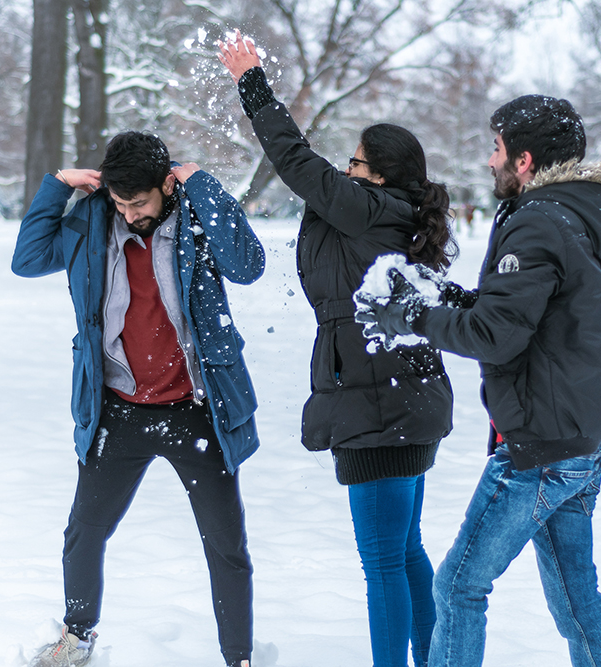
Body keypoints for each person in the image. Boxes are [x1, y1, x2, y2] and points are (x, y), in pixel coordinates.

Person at [356, 95, 601, 667]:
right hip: (579, 443)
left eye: (497, 149)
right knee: (575, 599)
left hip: (542, 451)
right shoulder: (567, 214)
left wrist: (407, 318)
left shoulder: (538, 220)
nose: (490, 161)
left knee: (458, 586)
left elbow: (496, 336)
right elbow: (525, 314)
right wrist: (449, 299)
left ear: (525, 161)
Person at [217, 32, 455, 667]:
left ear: (378, 175)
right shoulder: (387, 211)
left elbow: (297, 163)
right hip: (400, 392)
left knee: (383, 561)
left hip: (377, 400)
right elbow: (314, 181)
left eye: (355, 161)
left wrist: (252, 81)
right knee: (405, 552)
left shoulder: (372, 209)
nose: (344, 169)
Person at [12, 131, 264, 667]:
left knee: (226, 544)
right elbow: (28, 259)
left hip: (197, 411)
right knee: (84, 532)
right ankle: (76, 641)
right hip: (118, 410)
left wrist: (203, 184)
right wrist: (57, 186)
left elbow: (248, 265)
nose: (129, 215)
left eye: (140, 202)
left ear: (167, 185)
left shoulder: (196, 221)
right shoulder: (92, 224)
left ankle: (238, 657)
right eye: (120, 203)